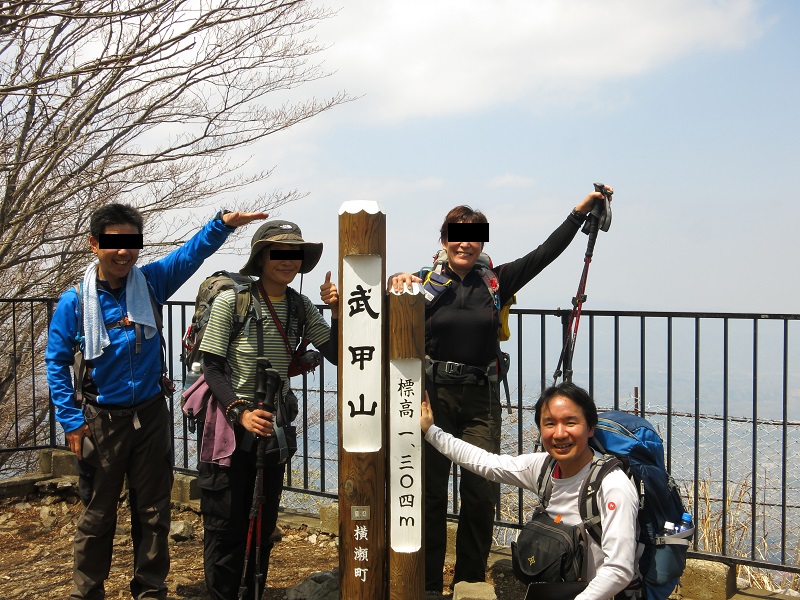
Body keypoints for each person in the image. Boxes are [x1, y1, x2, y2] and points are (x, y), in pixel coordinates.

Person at [388, 186, 613, 596]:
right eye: (457, 234)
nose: (465, 242)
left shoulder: (495, 281)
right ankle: (426, 584)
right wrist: (392, 280)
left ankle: (469, 582)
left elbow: (546, 253)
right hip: (431, 396)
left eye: (474, 235)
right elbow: (382, 307)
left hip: (480, 398)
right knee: (431, 492)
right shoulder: (421, 283)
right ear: (443, 240)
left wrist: (579, 212)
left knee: (480, 490)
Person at [45, 203, 268, 599]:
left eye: (132, 243)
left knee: (153, 513)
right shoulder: (75, 302)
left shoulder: (149, 283)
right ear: (94, 244)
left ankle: (150, 591)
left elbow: (188, 255)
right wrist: (71, 421)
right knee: (98, 516)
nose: (124, 252)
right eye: (114, 243)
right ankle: (88, 592)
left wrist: (222, 226)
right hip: (101, 419)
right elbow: (56, 363)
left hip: (149, 415)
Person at [196, 220, 339, 600]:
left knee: (263, 519)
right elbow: (211, 366)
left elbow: (338, 353)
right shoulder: (233, 302)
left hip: (274, 426)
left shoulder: (300, 306)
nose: (287, 261)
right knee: (226, 523)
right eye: (278, 252)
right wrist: (239, 412)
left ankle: (254, 591)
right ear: (261, 257)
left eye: (294, 254)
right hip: (233, 423)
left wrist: (337, 310)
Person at [421, 382, 639, 600]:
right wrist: (432, 431)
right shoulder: (544, 466)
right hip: (560, 589)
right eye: (550, 424)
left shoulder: (612, 486)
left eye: (570, 422)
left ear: (590, 428)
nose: (560, 433)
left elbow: (618, 570)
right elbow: (486, 463)